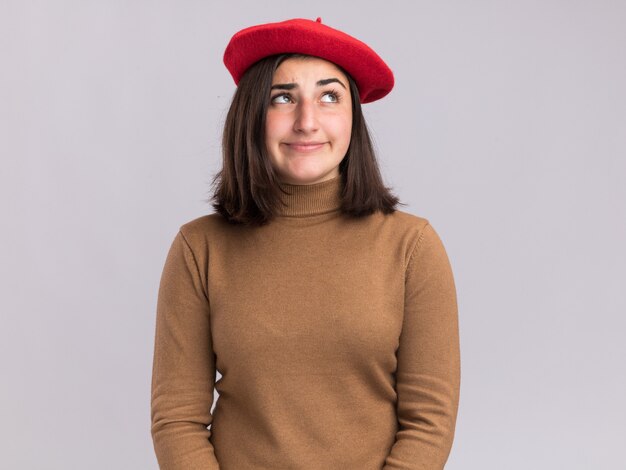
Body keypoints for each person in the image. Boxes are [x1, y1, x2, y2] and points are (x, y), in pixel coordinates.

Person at [150, 17, 460, 470]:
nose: (307, 121)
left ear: (354, 117)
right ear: (251, 115)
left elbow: (429, 421)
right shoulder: (200, 248)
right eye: (283, 97)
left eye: (329, 96)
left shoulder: (413, 248)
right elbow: (177, 419)